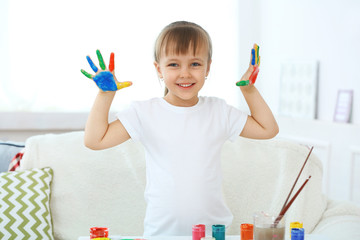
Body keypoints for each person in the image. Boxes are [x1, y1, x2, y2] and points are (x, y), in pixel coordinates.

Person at [82, 21, 279, 236]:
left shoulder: (219, 110)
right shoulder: (144, 112)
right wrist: (105, 95)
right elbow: (95, 140)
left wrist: (249, 90)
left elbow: (267, 129)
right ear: (159, 69)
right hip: (162, 232)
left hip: (214, 232)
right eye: (174, 65)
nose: (185, 73)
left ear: (208, 68)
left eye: (195, 64)